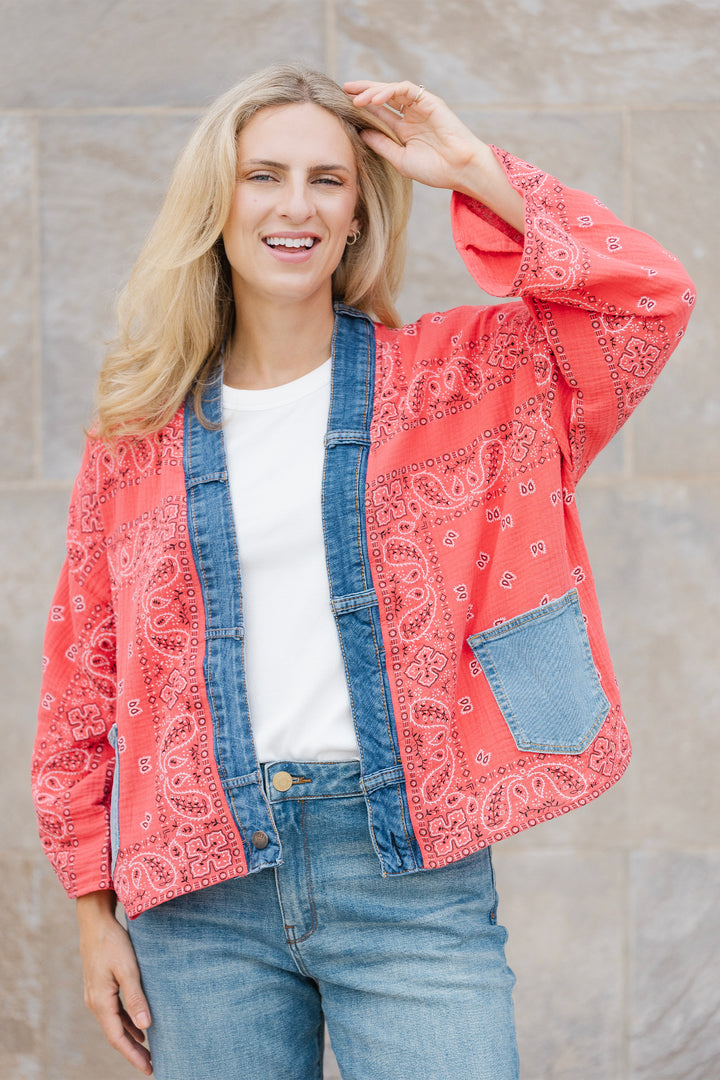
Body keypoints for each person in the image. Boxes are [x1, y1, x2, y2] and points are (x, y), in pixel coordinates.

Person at [31, 64, 694, 1080]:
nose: (295, 206)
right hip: (197, 893)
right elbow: (82, 678)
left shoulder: (461, 381)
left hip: (407, 876)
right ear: (219, 202)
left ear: (356, 214)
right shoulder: (138, 435)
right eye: (263, 176)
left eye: (327, 181)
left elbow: (646, 302)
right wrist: (92, 913)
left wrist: (471, 169)